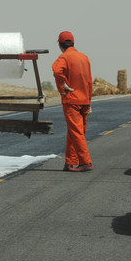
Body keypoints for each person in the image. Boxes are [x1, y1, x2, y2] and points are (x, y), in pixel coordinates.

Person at [52, 31, 94, 172]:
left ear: (60, 44)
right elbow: (89, 81)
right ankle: (70, 162)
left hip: (72, 100)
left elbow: (57, 71)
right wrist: (89, 100)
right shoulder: (84, 57)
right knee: (75, 131)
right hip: (84, 100)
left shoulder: (64, 57)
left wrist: (62, 88)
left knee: (76, 133)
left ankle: (85, 162)